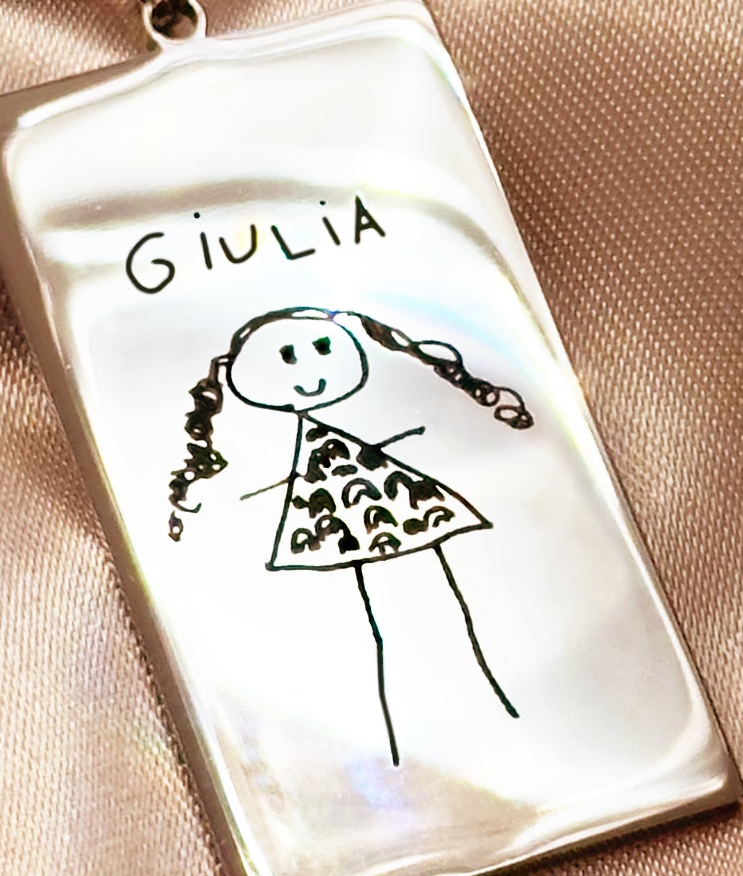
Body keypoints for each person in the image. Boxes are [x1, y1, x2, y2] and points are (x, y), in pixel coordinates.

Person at [168, 306, 534, 764]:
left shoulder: (349, 426)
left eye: (323, 348)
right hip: (351, 521)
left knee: (437, 607)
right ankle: (420, 734)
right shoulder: (306, 442)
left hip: (392, 511)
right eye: (286, 357)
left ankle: (473, 715)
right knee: (391, 623)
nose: (308, 371)